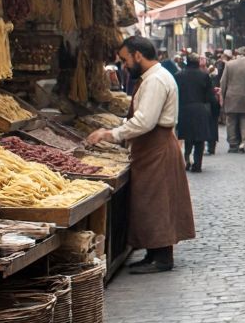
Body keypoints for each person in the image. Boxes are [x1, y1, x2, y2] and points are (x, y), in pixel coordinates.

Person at [84, 37, 196, 274]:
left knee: (157, 201)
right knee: (150, 200)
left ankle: (163, 257)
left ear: (138, 55)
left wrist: (110, 134)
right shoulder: (153, 77)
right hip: (151, 146)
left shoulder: (155, 80)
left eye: (125, 60)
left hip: (157, 146)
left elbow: (145, 121)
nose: (124, 65)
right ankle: (153, 252)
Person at [174, 55, 215, 174]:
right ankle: (197, 164)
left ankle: (187, 159)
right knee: (200, 139)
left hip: (184, 109)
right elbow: (209, 96)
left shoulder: (178, 75)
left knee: (188, 137)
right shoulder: (204, 76)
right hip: (199, 109)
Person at [220, 47, 245, 152]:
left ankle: (233, 144)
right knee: (244, 120)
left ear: (237, 53)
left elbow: (223, 82)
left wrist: (222, 96)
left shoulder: (229, 64)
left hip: (231, 96)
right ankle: (242, 143)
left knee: (231, 121)